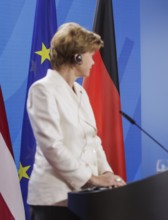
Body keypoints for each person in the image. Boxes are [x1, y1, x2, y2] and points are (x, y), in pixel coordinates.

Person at [26, 22, 126, 220]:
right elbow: (52, 147)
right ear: (76, 56)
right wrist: (93, 179)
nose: (94, 62)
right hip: (54, 200)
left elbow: (93, 140)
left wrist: (108, 174)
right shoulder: (42, 90)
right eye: (91, 55)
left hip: (83, 197)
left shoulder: (81, 92)